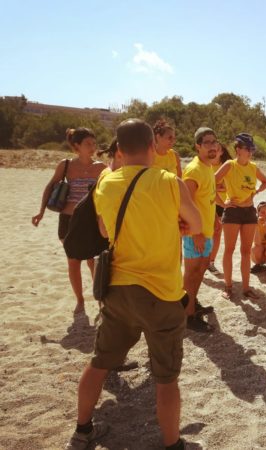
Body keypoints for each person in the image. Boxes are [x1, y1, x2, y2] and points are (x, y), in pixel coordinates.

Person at [65, 119, 202, 450]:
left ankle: (82, 431)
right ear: (153, 147)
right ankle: (172, 444)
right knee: (166, 379)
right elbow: (196, 223)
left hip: (119, 291)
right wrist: (176, 223)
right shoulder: (169, 181)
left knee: (99, 363)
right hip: (162, 294)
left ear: (120, 151)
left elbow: (102, 230)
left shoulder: (106, 183)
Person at [32, 127, 106, 313]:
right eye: (87, 144)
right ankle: (80, 300)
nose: (92, 147)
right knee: (73, 262)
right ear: (76, 147)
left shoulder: (101, 168)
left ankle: (99, 298)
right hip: (68, 220)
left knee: (92, 261)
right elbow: (50, 187)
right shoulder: (65, 165)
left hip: (90, 222)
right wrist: (41, 212)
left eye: (93, 143)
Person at [214, 133, 266, 300]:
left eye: (252, 149)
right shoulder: (230, 165)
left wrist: (255, 193)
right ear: (238, 150)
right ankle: (228, 286)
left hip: (249, 212)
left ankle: (246, 288)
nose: (251, 152)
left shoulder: (253, 167)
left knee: (246, 251)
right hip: (232, 212)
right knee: (229, 250)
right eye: (248, 149)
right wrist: (223, 204)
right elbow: (210, 182)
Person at [182, 127, 220, 332]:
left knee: (201, 270)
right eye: (207, 142)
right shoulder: (194, 170)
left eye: (214, 142)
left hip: (206, 232)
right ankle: (187, 316)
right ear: (198, 146)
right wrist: (195, 233)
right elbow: (185, 204)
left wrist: (214, 218)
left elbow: (206, 199)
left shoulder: (208, 167)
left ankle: (191, 304)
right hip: (194, 234)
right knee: (191, 274)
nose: (212, 146)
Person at [208, 142, 232, 274]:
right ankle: (204, 260)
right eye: (213, 148)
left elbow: (230, 186)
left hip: (223, 203)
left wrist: (218, 186)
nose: (214, 151)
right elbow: (205, 186)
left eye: (217, 149)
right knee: (206, 232)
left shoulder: (227, 166)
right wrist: (218, 186)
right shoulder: (206, 165)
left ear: (222, 152)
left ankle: (211, 262)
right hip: (209, 203)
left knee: (217, 233)